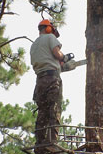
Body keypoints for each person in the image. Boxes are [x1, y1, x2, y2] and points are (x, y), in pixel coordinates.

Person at [30, 19, 73, 153]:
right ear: (48, 29)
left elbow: (46, 61)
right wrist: (64, 58)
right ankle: (51, 143)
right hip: (52, 79)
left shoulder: (35, 45)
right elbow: (56, 53)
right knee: (54, 111)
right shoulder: (50, 37)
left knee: (42, 112)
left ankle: (40, 144)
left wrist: (60, 66)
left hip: (40, 80)